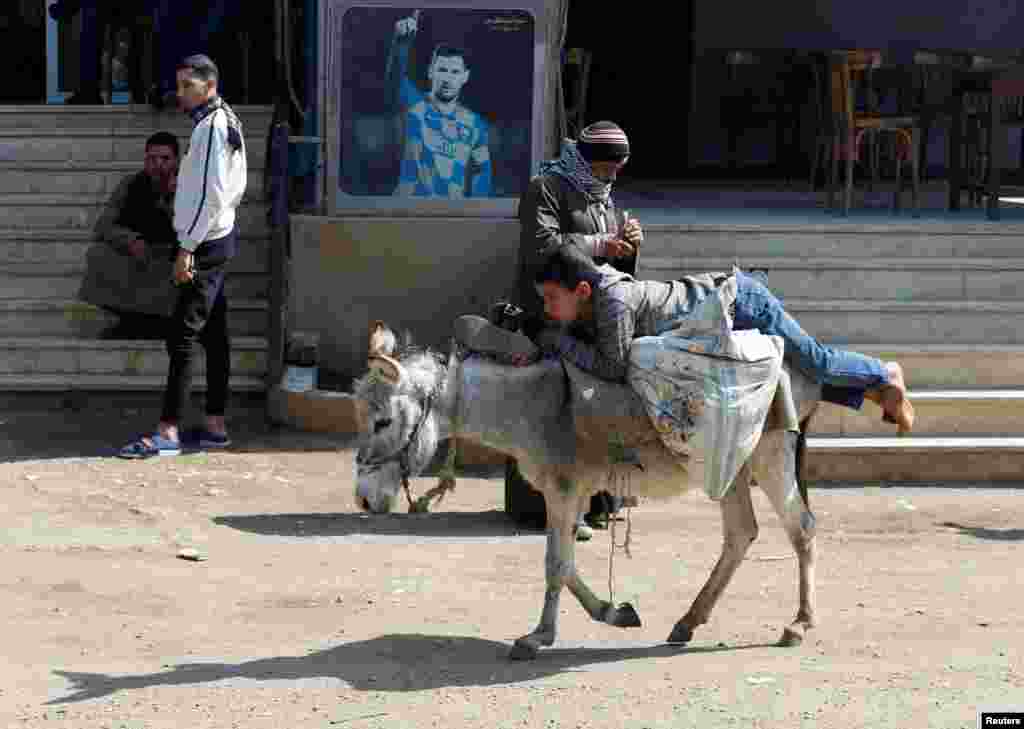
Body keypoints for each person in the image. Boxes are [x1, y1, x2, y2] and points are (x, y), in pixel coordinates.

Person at [530, 243, 915, 434]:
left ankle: (883, 372)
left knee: (814, 362)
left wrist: (557, 341)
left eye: (551, 299)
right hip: (711, 326)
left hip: (742, 303)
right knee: (789, 376)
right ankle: (875, 390)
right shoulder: (594, 302)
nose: (547, 308)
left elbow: (613, 368)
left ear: (582, 290)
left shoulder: (612, 302)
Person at [118, 54, 247, 459]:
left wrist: (188, 248)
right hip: (215, 237)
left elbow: (210, 195)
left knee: (183, 335)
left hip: (204, 243)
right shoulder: (224, 118)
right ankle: (214, 425)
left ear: (208, 86)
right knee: (214, 333)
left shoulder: (212, 128)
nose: (179, 94)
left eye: (187, 87)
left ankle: (168, 431)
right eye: (178, 85)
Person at [79, 131, 181, 339]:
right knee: (98, 254)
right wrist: (131, 240)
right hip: (137, 253)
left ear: (176, 160)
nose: (158, 165)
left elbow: (192, 229)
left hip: (172, 255)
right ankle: (131, 320)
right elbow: (104, 225)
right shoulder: (130, 184)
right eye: (152, 159)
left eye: (165, 159)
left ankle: (159, 323)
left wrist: (171, 198)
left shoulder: (189, 186)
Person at [386, 11, 492, 197]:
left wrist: (475, 215)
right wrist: (400, 46)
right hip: (407, 213)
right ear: (430, 72)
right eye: (442, 70)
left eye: (454, 72)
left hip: (450, 216)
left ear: (464, 77)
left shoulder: (475, 124)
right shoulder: (415, 105)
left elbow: (483, 172)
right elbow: (395, 79)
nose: (447, 79)